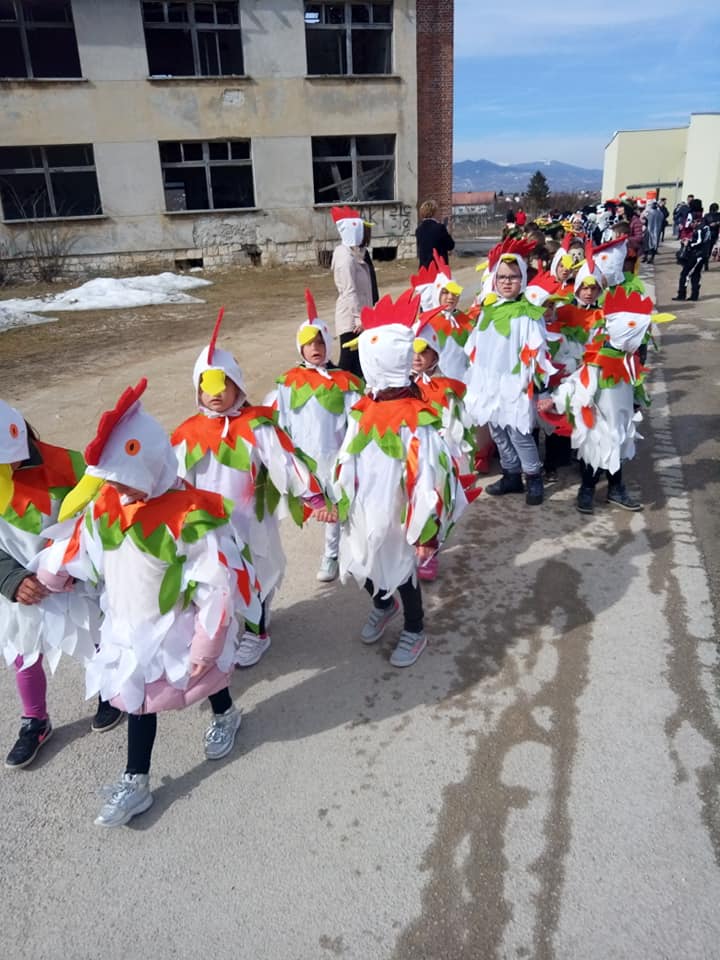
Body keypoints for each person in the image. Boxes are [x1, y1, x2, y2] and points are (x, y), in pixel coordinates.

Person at [38, 379, 263, 827]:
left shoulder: (188, 515)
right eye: (115, 483)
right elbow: (80, 541)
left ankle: (227, 713)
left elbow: (217, 581)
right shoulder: (109, 504)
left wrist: (207, 641)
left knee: (204, 674)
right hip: (128, 626)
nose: (122, 492)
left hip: (175, 623)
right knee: (138, 699)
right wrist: (53, 571)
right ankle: (136, 780)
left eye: (128, 482)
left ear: (153, 466)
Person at [171, 311, 325, 667]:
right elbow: (175, 477)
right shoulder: (187, 433)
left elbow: (285, 460)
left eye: (223, 385)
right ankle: (234, 625)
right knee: (219, 577)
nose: (216, 394)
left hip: (251, 520)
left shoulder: (256, 424)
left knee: (257, 572)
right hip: (211, 524)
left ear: (237, 385)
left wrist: (312, 495)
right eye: (207, 387)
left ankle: (258, 633)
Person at [330, 291, 468, 667]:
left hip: (398, 514)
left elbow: (426, 475)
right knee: (366, 562)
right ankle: (381, 603)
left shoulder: (416, 417)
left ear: (378, 362)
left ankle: (415, 628)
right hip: (364, 510)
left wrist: (425, 530)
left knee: (402, 570)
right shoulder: (364, 409)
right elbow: (347, 456)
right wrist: (335, 498)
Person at [0, 401, 119, 770]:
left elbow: (97, 504)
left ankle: (109, 692)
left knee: (94, 634)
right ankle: (35, 720)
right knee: (24, 651)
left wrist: (73, 558)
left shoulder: (62, 463)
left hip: (69, 577)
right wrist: (11, 579)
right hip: (22, 589)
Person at [541, 289, 672, 514]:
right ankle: (587, 489)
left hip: (620, 417)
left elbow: (634, 382)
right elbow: (576, 384)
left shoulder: (628, 360)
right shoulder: (599, 362)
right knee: (595, 454)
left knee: (618, 452)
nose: (644, 340)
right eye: (642, 335)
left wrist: (637, 400)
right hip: (598, 420)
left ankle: (615, 489)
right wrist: (555, 400)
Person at [271, 290, 364, 584]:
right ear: (300, 347)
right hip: (303, 457)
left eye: (321, 342)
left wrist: (350, 453)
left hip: (333, 455)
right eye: (309, 343)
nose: (315, 348)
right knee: (311, 501)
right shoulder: (288, 382)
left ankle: (331, 553)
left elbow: (354, 420)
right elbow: (283, 418)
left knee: (333, 505)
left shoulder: (344, 383)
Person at [463, 238, 556, 507]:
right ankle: (511, 473)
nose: (507, 282)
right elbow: (478, 346)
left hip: (516, 384)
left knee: (518, 432)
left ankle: (533, 476)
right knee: (497, 430)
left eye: (514, 277)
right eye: (502, 277)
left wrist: (543, 390)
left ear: (523, 279)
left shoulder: (528, 313)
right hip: (489, 383)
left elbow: (538, 354)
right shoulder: (488, 309)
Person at [331, 206, 373, 377]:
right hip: (351, 321)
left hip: (358, 317)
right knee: (348, 364)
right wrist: (358, 318)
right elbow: (349, 291)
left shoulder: (352, 253)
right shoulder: (345, 259)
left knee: (358, 364)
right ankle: (336, 393)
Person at [673, 199, 710, 302]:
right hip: (702, 254)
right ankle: (694, 295)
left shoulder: (700, 227)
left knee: (685, 274)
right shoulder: (705, 226)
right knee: (696, 275)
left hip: (697, 254)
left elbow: (698, 241)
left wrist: (688, 242)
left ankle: (682, 295)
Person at [415, 199, 454, 269]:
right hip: (438, 267)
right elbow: (450, 245)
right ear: (434, 212)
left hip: (424, 268)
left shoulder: (418, 230)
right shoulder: (440, 228)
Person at [703, 202, 720, 270]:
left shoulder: (707, 215)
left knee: (706, 249)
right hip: (714, 234)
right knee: (709, 249)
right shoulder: (718, 215)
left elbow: (703, 224)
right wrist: (716, 223)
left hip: (707, 234)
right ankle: (705, 263)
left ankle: (705, 263)